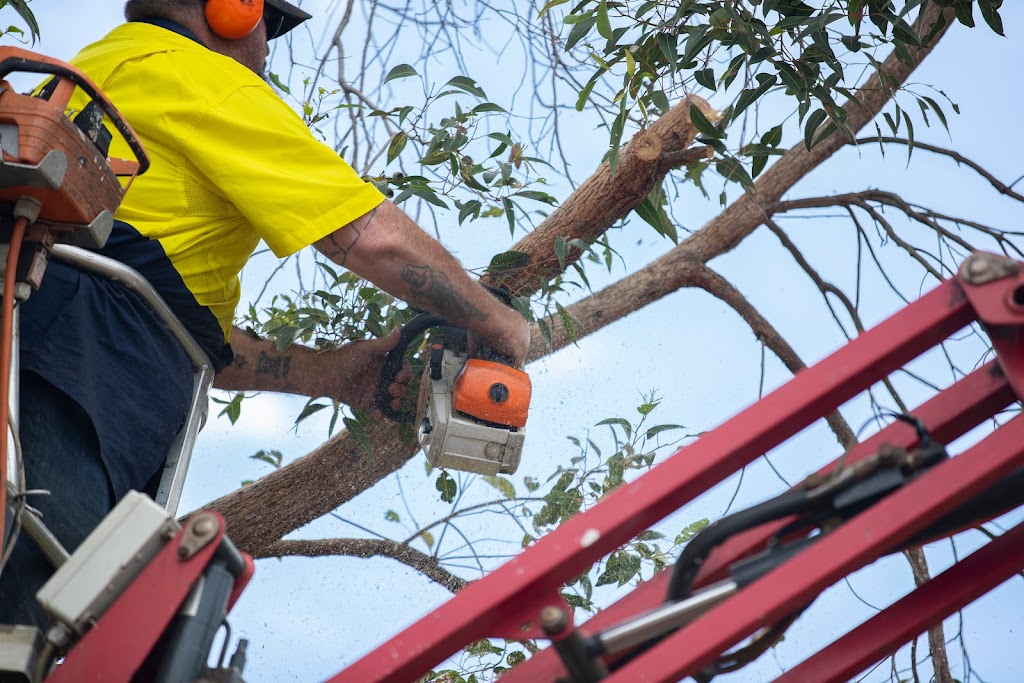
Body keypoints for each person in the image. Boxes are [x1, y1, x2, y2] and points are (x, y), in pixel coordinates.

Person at [0, 0, 530, 628]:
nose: (269, 46)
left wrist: (332, 374)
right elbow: (365, 236)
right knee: (26, 609)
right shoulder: (203, 81)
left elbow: (181, 324)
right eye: (268, 24)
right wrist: (495, 320)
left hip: (53, 346)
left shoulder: (78, 78)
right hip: (72, 379)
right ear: (228, 10)